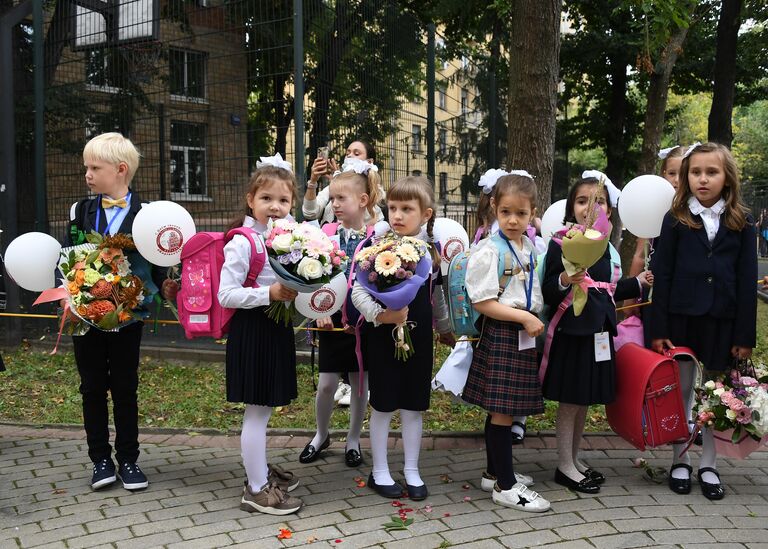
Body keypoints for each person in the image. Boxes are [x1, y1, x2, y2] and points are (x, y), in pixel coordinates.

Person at [650, 142, 757, 501]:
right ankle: (680, 458)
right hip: (681, 320)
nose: (703, 179)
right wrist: (658, 329)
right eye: (695, 172)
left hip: (723, 322)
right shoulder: (675, 219)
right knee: (680, 391)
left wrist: (744, 334)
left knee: (716, 396)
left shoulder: (742, 221)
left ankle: (709, 463)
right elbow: (662, 275)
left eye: (711, 172)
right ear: (685, 178)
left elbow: (746, 281)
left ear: (727, 178)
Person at [63, 132, 164, 491]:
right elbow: (68, 257)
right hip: (84, 314)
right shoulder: (80, 211)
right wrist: (67, 296)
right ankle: (100, 460)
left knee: (124, 386)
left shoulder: (149, 215)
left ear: (120, 170)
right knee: (91, 386)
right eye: (86, 167)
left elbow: (160, 264)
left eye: (94, 168)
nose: (87, 174)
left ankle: (130, 459)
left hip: (128, 317)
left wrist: (161, 288)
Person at [541, 175, 652, 494]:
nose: (590, 207)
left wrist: (640, 282)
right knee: (570, 400)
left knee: (585, 399)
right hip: (572, 333)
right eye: (581, 200)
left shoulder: (604, 247)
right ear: (570, 208)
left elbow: (608, 290)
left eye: (599, 200)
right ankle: (563, 467)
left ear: (609, 210)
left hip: (599, 333)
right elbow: (549, 290)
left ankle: (574, 460)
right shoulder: (560, 242)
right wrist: (564, 277)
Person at [351, 176, 454, 501]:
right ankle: (379, 470)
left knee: (413, 406)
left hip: (419, 335)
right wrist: (383, 315)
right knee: (383, 404)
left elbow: (436, 295)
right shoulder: (377, 247)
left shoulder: (431, 252)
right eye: (392, 207)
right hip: (383, 335)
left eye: (406, 208)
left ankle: (412, 469)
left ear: (425, 214)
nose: (397, 215)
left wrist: (445, 326)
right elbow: (357, 291)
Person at [217, 158, 303, 515]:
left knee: (265, 408)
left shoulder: (291, 239)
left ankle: (260, 471)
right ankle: (255, 489)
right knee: (257, 411)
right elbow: (226, 294)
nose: (275, 206)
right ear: (251, 200)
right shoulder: (243, 242)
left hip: (276, 327)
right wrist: (268, 295)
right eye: (267, 198)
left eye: (283, 201)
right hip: (253, 330)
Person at [462, 171, 551, 512]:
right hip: (503, 331)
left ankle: (492, 471)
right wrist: (525, 317)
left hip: (519, 332)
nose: (513, 220)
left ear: (533, 213)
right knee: (502, 411)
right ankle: (505, 485)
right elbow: (482, 302)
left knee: (504, 409)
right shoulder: (489, 250)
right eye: (506, 212)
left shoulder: (526, 245)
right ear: (494, 208)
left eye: (521, 213)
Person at [300, 161, 381, 468]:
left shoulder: (376, 237)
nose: (334, 204)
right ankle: (321, 434)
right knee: (326, 385)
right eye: (332, 199)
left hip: (363, 323)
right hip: (330, 321)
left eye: (340, 198)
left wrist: (366, 317)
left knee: (361, 385)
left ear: (362, 200)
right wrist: (317, 309)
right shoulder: (324, 234)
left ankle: (352, 439)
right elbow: (311, 276)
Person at [629, 146, 685, 278]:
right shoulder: (654, 208)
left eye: (683, 174)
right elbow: (640, 256)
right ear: (664, 174)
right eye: (672, 173)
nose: (677, 180)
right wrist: (630, 295)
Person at [302, 139, 385, 225]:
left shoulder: (376, 193)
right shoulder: (331, 187)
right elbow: (310, 213)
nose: (349, 156)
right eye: (347, 153)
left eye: (356, 154)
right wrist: (313, 181)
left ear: (369, 162)